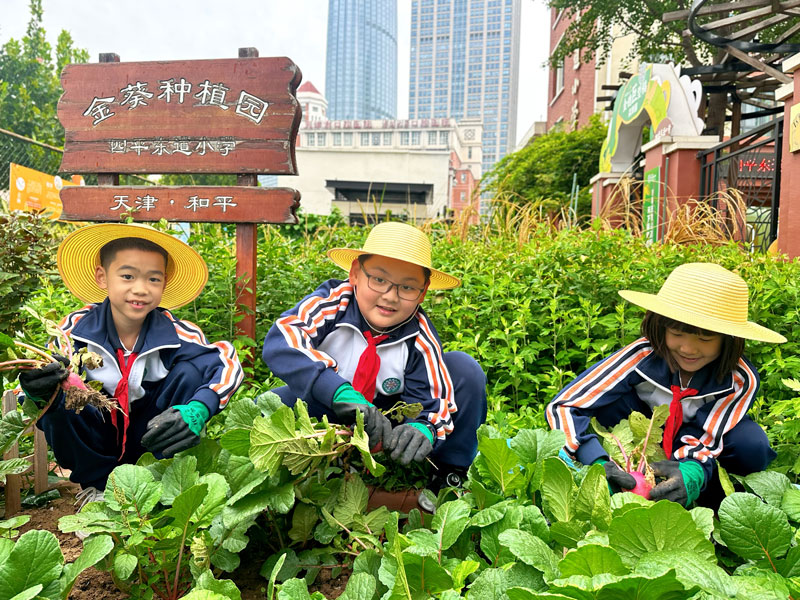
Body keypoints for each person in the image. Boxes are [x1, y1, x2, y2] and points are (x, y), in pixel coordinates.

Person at [19, 223, 244, 509]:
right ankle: (99, 491)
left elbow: (227, 362)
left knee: (191, 372)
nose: (140, 289)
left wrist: (199, 408)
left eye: (153, 279)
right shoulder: (74, 331)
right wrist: (37, 391)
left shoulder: (175, 332)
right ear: (102, 277)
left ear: (164, 284)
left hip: (151, 434)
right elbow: (32, 386)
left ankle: (161, 483)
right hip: (97, 435)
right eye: (127, 276)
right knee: (58, 392)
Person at [262, 222, 487, 496]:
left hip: (388, 420)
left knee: (464, 370)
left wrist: (423, 428)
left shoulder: (420, 336)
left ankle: (450, 473)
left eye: (407, 287)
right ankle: (304, 468)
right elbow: (283, 339)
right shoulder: (332, 303)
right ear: (355, 273)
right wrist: (338, 392)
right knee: (268, 407)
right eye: (379, 280)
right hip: (327, 403)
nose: (390, 297)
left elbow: (432, 400)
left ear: (423, 292)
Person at [546, 262, 786, 508]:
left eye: (705, 338)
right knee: (605, 406)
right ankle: (614, 476)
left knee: (751, 444)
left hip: (695, 441)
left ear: (729, 340)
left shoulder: (739, 378)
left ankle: (715, 501)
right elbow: (564, 405)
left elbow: (709, 438)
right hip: (639, 441)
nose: (688, 348)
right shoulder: (641, 355)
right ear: (660, 326)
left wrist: (692, 473)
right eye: (677, 334)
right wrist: (595, 461)